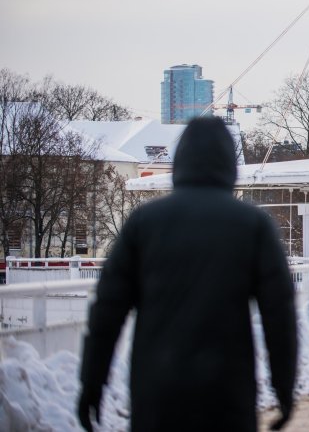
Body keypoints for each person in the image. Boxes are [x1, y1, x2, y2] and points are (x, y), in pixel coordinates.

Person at [78, 116, 297, 432]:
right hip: (227, 392)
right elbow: (280, 316)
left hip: (157, 389)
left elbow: (107, 312)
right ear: (229, 164)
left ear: (180, 161)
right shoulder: (253, 225)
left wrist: (92, 382)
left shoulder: (144, 223)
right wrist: (284, 389)